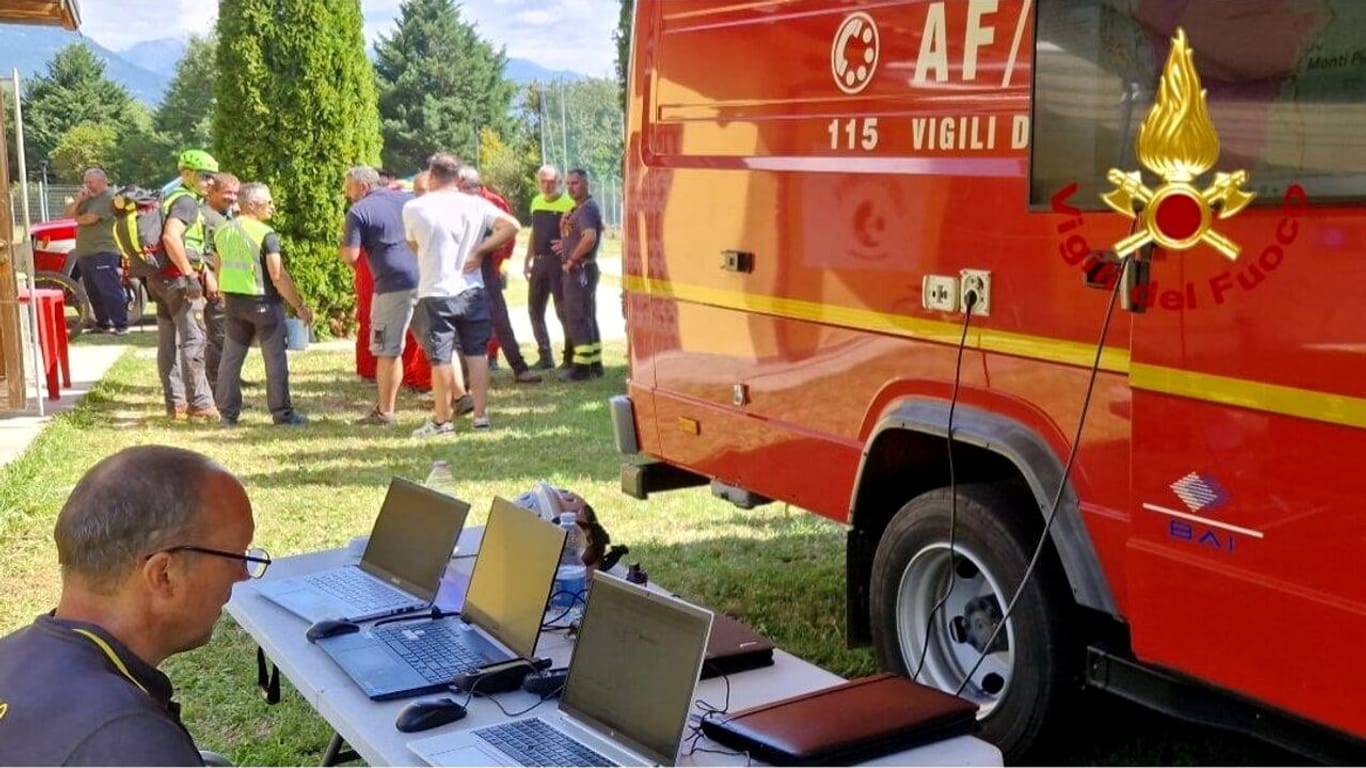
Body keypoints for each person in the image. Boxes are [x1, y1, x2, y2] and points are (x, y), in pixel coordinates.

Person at [0, 445, 268, 766]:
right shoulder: (134, 742)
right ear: (163, 574)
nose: (243, 575)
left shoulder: (11, 653)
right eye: (237, 556)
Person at [403, 153, 520, 436]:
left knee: (441, 357)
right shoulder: (475, 204)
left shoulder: (414, 207)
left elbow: (413, 244)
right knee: (476, 353)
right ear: (458, 178)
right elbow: (512, 226)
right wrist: (480, 251)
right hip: (472, 287)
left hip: (436, 289)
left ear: (431, 176)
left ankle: (443, 420)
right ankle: (481, 416)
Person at [213, 182, 311, 427]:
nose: (273, 207)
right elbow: (278, 275)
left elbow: (218, 264)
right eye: (268, 203)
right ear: (252, 205)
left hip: (234, 302)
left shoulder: (222, 231)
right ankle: (283, 414)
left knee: (231, 359)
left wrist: (224, 292)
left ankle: (227, 414)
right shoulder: (265, 234)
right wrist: (299, 306)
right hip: (264, 303)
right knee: (275, 360)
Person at [340, 166, 420, 426]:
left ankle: (385, 412)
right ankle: (460, 397)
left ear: (363, 187)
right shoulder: (408, 200)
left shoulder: (359, 211)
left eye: (349, 187)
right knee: (438, 344)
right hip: (424, 277)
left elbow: (351, 256)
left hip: (392, 285)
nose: (347, 193)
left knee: (387, 349)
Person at [151, 149, 220, 421]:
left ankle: (176, 404)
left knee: (168, 342)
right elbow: (171, 237)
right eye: (204, 176)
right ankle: (201, 404)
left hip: (159, 278)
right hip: (179, 279)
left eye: (212, 177)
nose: (209, 182)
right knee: (194, 339)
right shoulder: (186, 202)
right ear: (186, 174)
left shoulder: (168, 197)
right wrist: (191, 276)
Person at [456, 167, 542, 384]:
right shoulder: (454, 204)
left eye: (463, 187)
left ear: (475, 186)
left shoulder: (492, 202)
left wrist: (489, 258)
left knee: (499, 318)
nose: (459, 191)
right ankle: (464, 377)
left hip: (486, 267)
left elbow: (508, 235)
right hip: (460, 269)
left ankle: (519, 368)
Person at [64, 167, 129, 335]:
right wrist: (78, 201)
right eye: (85, 182)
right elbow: (67, 214)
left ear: (102, 181)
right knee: (93, 290)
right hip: (85, 251)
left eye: (90, 182)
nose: (87, 185)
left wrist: (76, 219)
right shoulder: (87, 198)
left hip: (103, 250)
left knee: (109, 288)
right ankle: (103, 323)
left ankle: (121, 324)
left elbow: (90, 219)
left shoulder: (109, 197)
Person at [524, 165, 574, 370]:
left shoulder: (569, 203)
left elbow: (586, 230)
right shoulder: (536, 202)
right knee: (534, 309)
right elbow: (534, 232)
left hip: (559, 264)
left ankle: (570, 356)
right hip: (539, 262)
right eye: (543, 181)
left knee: (562, 310)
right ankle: (545, 356)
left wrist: (568, 243)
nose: (547, 185)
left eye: (552, 181)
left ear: (560, 182)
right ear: (538, 182)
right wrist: (527, 258)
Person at [558, 168, 605, 381]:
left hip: (580, 271)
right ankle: (594, 363)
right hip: (582, 270)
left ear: (586, 184)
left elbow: (589, 238)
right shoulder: (579, 209)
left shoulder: (586, 209)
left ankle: (581, 369)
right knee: (587, 316)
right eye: (568, 183)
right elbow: (573, 236)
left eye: (575, 183)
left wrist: (572, 260)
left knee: (577, 317)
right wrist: (563, 225)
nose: (570, 187)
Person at [200, 172, 241, 391]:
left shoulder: (225, 216)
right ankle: (217, 386)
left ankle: (231, 378)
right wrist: (211, 277)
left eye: (236, 193)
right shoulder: (206, 217)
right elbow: (201, 252)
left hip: (227, 283)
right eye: (227, 193)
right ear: (211, 192)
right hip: (213, 285)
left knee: (229, 334)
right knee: (218, 336)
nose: (232, 198)